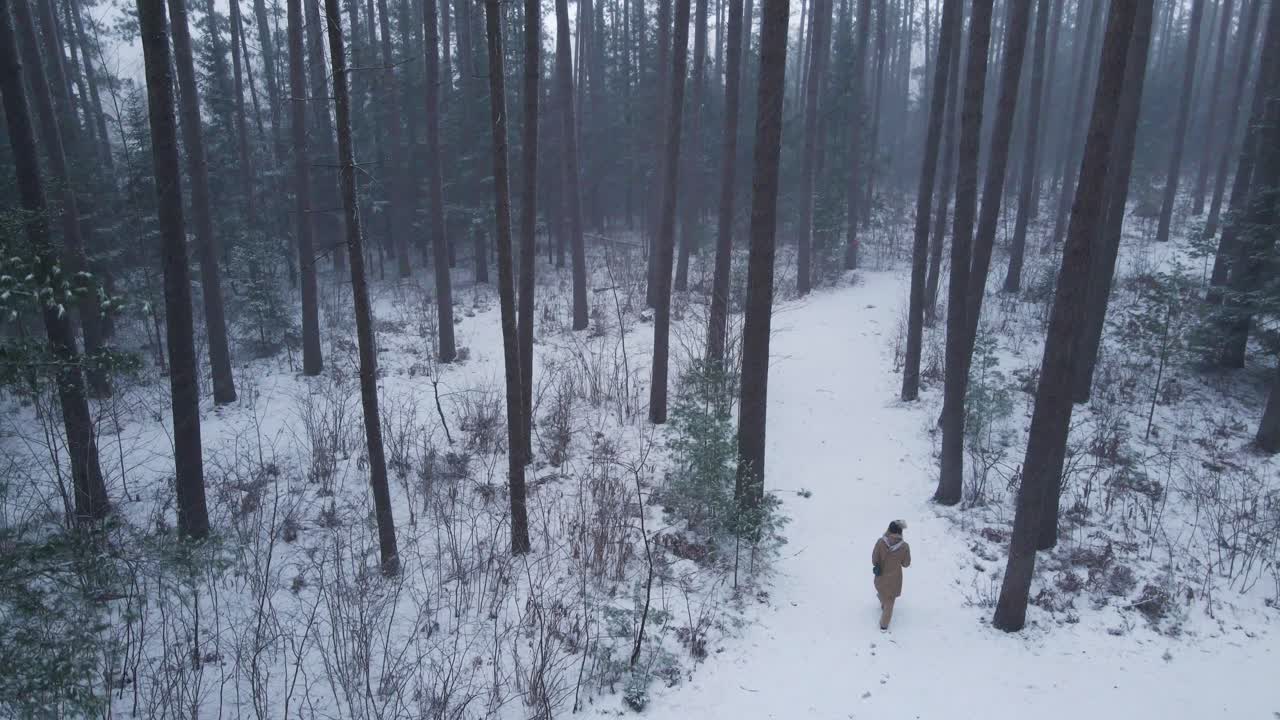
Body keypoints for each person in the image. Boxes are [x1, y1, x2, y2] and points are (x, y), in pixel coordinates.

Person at [871, 520, 911, 630]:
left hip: (880, 577)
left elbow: (874, 560)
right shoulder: (904, 547)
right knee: (890, 603)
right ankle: (884, 626)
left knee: (882, 592)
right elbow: (906, 564)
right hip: (894, 580)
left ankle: (883, 601)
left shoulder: (880, 542)